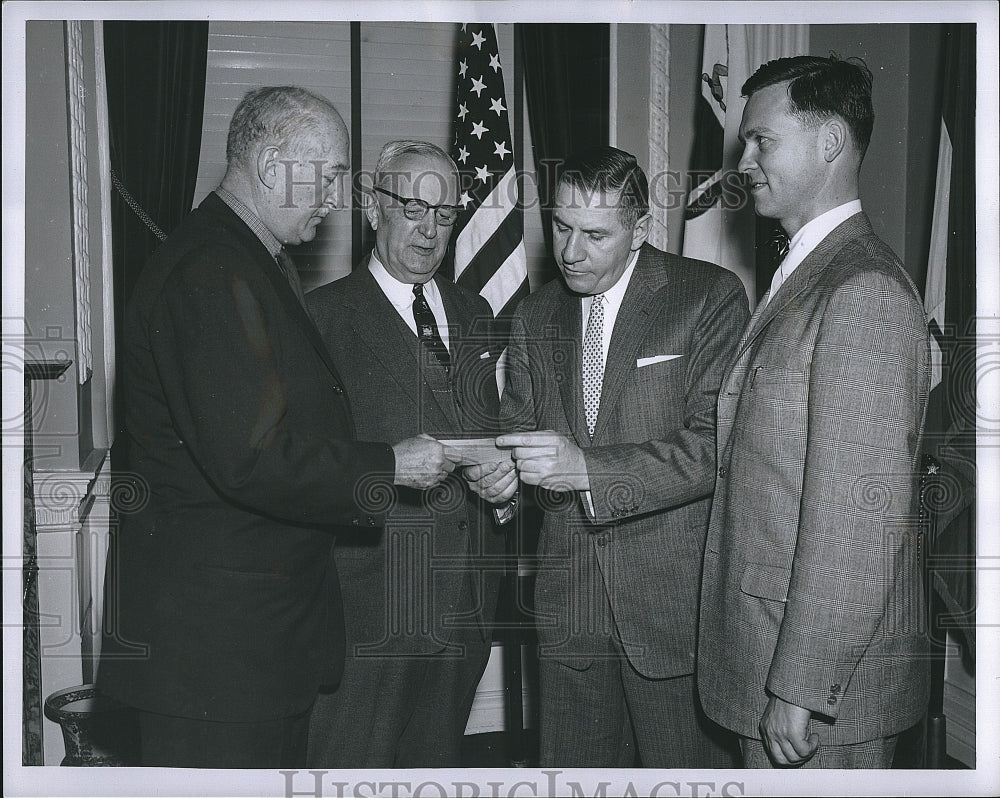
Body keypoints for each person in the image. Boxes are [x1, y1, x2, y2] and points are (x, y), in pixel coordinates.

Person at [97, 88, 455, 768]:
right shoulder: (213, 271)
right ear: (269, 164)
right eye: (326, 178)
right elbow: (251, 458)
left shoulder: (247, 260)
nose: (335, 200)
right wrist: (390, 467)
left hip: (245, 645)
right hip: (217, 657)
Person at [471, 146, 749, 767]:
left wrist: (588, 471)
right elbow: (520, 432)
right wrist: (503, 481)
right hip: (569, 611)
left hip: (671, 616)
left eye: (595, 235)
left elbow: (715, 445)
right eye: (561, 228)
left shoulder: (707, 297)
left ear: (639, 230)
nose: (571, 252)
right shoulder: (537, 313)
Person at [697, 55, 931, 769]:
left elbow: (856, 518)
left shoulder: (861, 291)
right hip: (769, 656)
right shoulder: (808, 270)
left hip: (820, 698)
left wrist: (801, 686)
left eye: (761, 140)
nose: (744, 161)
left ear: (829, 143)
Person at [305, 140, 511, 768]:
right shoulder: (320, 319)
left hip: (463, 611)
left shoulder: (476, 312)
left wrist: (505, 486)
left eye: (445, 214)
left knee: (434, 773)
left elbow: (486, 433)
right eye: (414, 208)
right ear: (372, 205)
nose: (431, 230)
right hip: (369, 613)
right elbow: (304, 467)